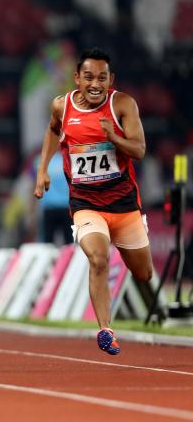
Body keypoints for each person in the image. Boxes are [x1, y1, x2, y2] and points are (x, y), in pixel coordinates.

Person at [34, 48, 152, 356]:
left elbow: (139, 150)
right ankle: (105, 330)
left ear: (111, 80)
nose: (95, 84)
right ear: (77, 78)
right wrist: (42, 170)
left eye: (102, 78)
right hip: (86, 203)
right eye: (88, 77)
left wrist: (114, 138)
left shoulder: (123, 104)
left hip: (124, 204)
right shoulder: (62, 106)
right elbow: (52, 130)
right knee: (98, 259)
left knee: (144, 274)